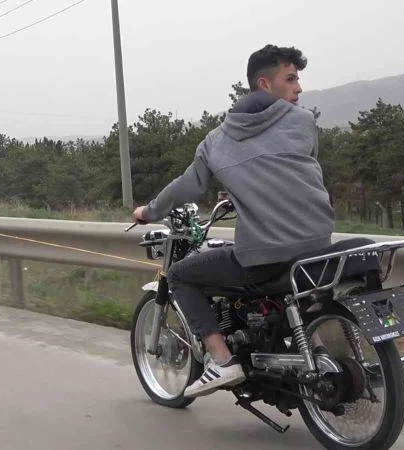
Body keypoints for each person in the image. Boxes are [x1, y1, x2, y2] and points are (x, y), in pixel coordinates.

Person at [133, 44, 335, 398]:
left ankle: (223, 361)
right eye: (291, 80)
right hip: (319, 244)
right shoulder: (304, 122)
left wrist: (148, 211)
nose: (299, 89)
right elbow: (299, 173)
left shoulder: (217, 140)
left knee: (180, 275)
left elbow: (187, 186)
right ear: (264, 84)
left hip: (268, 257)